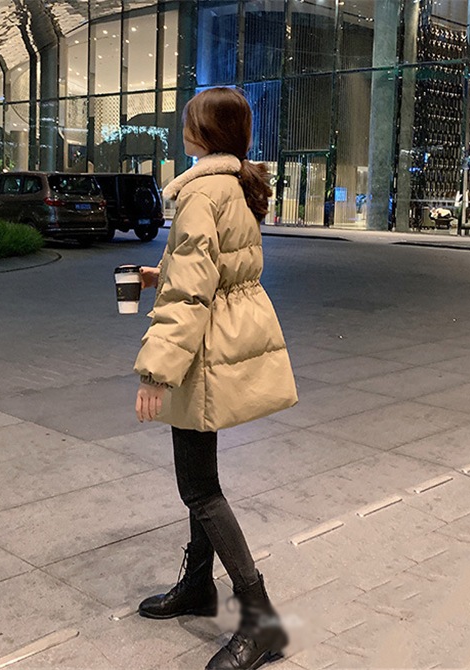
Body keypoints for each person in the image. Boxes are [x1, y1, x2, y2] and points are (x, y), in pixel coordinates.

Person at [133, 86, 298, 670]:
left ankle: (261, 621)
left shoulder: (201, 191)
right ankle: (199, 585)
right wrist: (162, 272)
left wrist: (155, 372)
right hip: (221, 340)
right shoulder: (237, 185)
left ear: (205, 132)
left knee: (199, 488)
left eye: (191, 121)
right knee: (201, 473)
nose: (185, 127)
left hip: (200, 350)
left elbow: (192, 293)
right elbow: (215, 269)